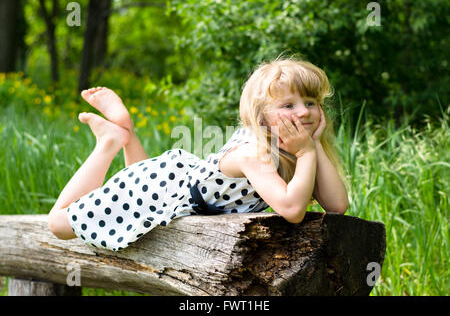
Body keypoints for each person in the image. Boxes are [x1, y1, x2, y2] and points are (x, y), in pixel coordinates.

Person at [48, 56, 349, 252]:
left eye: (311, 102)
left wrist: (316, 144)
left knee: (137, 178)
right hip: (168, 185)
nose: (304, 112)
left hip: (178, 190)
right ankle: (109, 142)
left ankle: (126, 132)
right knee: (58, 225)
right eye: (288, 105)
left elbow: (336, 206)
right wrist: (308, 151)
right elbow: (292, 210)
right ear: (261, 116)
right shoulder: (253, 152)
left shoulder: (296, 149)